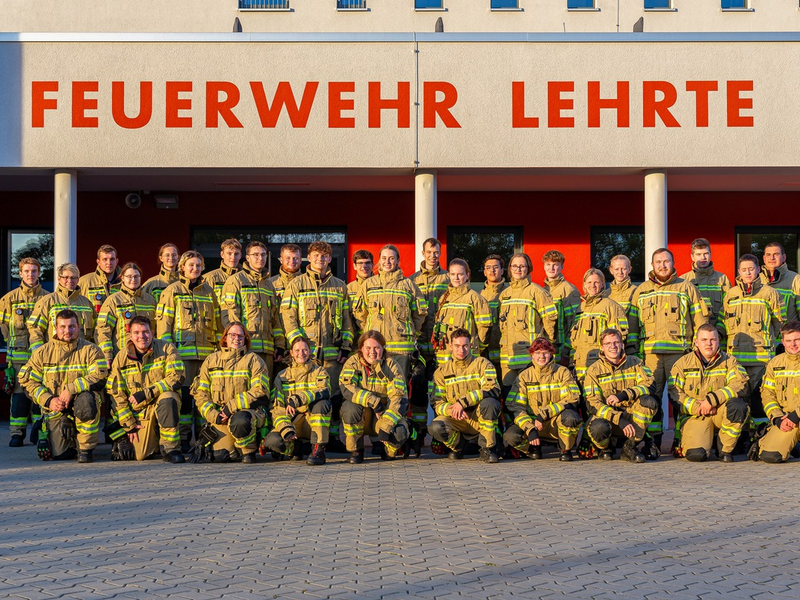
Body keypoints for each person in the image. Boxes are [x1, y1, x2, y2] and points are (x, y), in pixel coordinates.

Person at [627, 248, 708, 458]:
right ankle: (652, 443)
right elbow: (633, 326)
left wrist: (697, 351)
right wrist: (635, 353)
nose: (662, 265)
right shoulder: (641, 291)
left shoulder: (686, 287)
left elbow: (700, 322)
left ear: (673, 263)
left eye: (666, 261)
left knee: (680, 399)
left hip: (680, 355)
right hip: (650, 356)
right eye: (658, 262)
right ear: (652, 265)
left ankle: (683, 440)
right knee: (651, 399)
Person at [281, 241, 353, 453]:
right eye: (316, 256)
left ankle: (331, 437)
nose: (320, 260)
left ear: (329, 259)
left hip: (332, 355)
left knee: (334, 396)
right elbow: (288, 317)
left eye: (324, 257)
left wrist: (346, 346)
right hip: (306, 356)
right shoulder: (296, 285)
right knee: (306, 395)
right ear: (309, 259)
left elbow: (347, 319)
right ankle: (306, 437)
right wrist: (297, 345)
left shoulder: (340, 286)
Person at [19, 309, 108, 463]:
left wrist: (71, 389)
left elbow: (100, 376)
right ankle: (60, 432)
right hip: (56, 408)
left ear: (79, 327)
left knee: (87, 400)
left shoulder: (91, 350)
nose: (68, 331)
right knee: (60, 455)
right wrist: (48, 401)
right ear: (55, 327)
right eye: (63, 327)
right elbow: (28, 382)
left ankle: (85, 449)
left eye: (72, 326)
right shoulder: (42, 353)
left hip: (81, 404)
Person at [156, 250, 223, 452]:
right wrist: (169, 356)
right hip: (181, 358)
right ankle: (184, 439)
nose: (195, 269)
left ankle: (204, 439)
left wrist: (219, 353)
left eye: (198, 265)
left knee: (204, 398)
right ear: (182, 267)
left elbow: (219, 325)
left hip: (206, 358)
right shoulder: (172, 291)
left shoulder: (209, 291)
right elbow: (163, 327)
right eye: (191, 265)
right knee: (184, 400)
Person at [354, 244, 426, 421]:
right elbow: (359, 313)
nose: (388, 262)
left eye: (392, 258)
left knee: (398, 391)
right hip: (374, 351)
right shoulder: (368, 284)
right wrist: (369, 333)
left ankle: (397, 432)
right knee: (376, 389)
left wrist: (412, 332)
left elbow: (420, 313)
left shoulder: (409, 285)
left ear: (398, 261)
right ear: (379, 261)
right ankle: (379, 433)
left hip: (402, 351)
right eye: (384, 258)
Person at [105, 316, 185, 463]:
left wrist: (147, 393)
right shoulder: (121, 358)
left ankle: (170, 448)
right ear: (130, 336)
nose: (141, 336)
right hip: (140, 412)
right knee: (140, 455)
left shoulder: (167, 348)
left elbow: (176, 377)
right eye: (136, 332)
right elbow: (117, 394)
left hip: (161, 401)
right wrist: (129, 424)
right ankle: (154, 441)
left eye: (145, 332)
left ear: (152, 333)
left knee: (168, 398)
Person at [717, 254, 782, 433]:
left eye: (751, 269)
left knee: (759, 398)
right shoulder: (730, 294)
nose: (747, 272)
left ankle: (760, 434)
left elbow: (778, 324)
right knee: (739, 398)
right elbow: (723, 323)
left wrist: (772, 351)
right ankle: (741, 436)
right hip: (736, 359)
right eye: (744, 269)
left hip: (761, 359)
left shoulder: (770, 294)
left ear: (757, 270)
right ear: (738, 271)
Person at [668, 324, 749, 463]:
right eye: (704, 340)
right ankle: (702, 443)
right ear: (696, 342)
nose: (709, 344)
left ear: (718, 341)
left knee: (738, 406)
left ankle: (725, 450)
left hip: (719, 412)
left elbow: (740, 384)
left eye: (713, 340)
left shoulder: (729, 361)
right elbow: (675, 394)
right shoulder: (682, 364)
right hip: (695, 415)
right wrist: (697, 407)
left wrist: (712, 400)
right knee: (696, 455)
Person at [191, 323, 270, 463]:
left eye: (240, 335)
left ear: (245, 339)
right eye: (232, 335)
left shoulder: (254, 360)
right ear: (225, 338)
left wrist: (231, 407)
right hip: (221, 417)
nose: (236, 338)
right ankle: (237, 449)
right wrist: (213, 415)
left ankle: (248, 450)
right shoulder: (211, 360)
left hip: (247, 413)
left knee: (241, 421)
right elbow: (201, 394)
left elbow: (259, 390)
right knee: (220, 456)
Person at [583, 328, 659, 462]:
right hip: (609, 419)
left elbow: (650, 385)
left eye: (616, 342)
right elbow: (592, 403)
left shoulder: (636, 362)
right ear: (602, 348)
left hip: (632, 420)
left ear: (622, 344)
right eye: (608, 344)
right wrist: (619, 419)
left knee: (649, 401)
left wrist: (624, 395)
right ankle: (605, 449)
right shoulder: (593, 370)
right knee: (598, 428)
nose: (613, 346)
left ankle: (629, 447)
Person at [430, 328, 502, 463]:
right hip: (457, 419)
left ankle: (487, 448)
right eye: (457, 346)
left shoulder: (482, 364)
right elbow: (437, 403)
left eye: (465, 346)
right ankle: (458, 446)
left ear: (471, 345)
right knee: (436, 427)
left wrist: (462, 403)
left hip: (478, 416)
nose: (461, 350)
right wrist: (452, 410)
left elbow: (493, 389)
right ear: (450, 346)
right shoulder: (441, 372)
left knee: (491, 403)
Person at [503, 338, 582, 461]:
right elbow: (516, 407)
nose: (542, 356)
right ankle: (532, 449)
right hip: (533, 424)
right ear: (532, 355)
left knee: (572, 418)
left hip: (555, 423)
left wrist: (543, 414)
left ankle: (564, 448)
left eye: (545, 352)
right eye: (537, 353)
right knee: (511, 436)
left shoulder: (562, 372)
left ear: (551, 353)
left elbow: (571, 398)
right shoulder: (523, 377)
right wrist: (530, 429)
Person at [339, 330, 411, 464]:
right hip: (364, 413)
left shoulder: (392, 366)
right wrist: (374, 402)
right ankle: (356, 449)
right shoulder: (352, 363)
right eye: (368, 348)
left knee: (399, 431)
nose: (372, 352)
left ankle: (389, 450)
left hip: (384, 414)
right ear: (361, 349)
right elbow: (347, 387)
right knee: (350, 408)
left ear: (383, 348)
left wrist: (387, 426)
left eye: (377, 347)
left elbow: (398, 397)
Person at [0, 257, 48, 446]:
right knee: (19, 398)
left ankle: (38, 431)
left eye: (34, 271)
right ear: (20, 273)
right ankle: (17, 434)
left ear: (39, 272)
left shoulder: (47, 297)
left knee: (38, 396)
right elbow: (3, 325)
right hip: (18, 360)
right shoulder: (8, 299)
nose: (30, 274)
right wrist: (13, 343)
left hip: (40, 358)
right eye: (27, 271)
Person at [262, 336, 332, 465]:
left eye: (305, 350)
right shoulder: (282, 376)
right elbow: (276, 408)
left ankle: (318, 450)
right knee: (272, 441)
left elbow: (325, 390)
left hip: (313, 421)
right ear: (291, 353)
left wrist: (298, 399)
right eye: (297, 350)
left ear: (310, 351)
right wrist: (286, 429)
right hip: (293, 421)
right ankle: (297, 449)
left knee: (323, 403)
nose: (301, 353)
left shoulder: (319, 371)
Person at [222, 241, 284, 378]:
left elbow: (275, 319)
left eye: (263, 255)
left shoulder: (269, 285)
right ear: (247, 258)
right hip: (245, 349)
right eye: (255, 255)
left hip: (267, 350)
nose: (260, 258)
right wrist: (238, 345)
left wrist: (279, 345)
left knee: (265, 389)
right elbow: (231, 318)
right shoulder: (235, 281)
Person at [497, 252, 558, 394]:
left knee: (529, 396)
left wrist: (546, 348)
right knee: (508, 396)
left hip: (529, 356)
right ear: (510, 269)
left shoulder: (538, 292)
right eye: (514, 266)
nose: (518, 269)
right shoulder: (504, 295)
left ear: (528, 268)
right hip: (508, 357)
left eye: (522, 266)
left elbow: (550, 323)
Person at [563, 268, 628, 383]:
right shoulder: (580, 308)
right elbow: (573, 339)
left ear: (602, 284)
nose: (592, 286)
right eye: (589, 282)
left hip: (600, 367)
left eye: (596, 282)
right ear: (584, 285)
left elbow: (618, 339)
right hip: (578, 367)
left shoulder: (611, 306)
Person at [431, 259, 492, 365]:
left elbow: (484, 329)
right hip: (444, 357)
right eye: (453, 274)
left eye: (460, 274)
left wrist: (475, 347)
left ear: (467, 275)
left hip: (467, 356)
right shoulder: (444, 298)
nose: (456, 278)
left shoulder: (475, 298)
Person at [95, 262, 157, 365]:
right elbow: (103, 329)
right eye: (129, 276)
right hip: (123, 355)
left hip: (149, 355)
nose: (133, 279)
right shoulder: (113, 301)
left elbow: (156, 329)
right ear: (122, 278)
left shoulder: (150, 300)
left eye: (137, 276)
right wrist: (107, 355)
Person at [757, 321, 800, 463]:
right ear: (782, 342)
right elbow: (767, 394)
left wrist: (795, 415)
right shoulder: (774, 364)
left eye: (797, 340)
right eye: (788, 341)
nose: (793, 344)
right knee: (770, 456)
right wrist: (777, 418)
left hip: (795, 416)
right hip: (786, 419)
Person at [28, 263, 95, 350]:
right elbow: (35, 330)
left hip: (82, 355)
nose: (70, 280)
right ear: (59, 279)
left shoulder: (87, 303)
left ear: (78, 280)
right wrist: (39, 354)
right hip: (55, 355)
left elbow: (95, 331)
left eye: (73, 277)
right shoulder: (47, 302)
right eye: (66, 277)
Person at [680, 238, 731, 328]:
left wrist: (719, 331)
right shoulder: (683, 281)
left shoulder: (722, 279)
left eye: (706, 254)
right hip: (694, 335)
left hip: (717, 335)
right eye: (698, 254)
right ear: (692, 257)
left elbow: (728, 307)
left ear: (710, 255)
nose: (703, 257)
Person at [542, 250, 581, 358]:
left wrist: (567, 350)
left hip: (561, 348)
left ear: (562, 267)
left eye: (555, 265)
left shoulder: (568, 290)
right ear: (544, 266)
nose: (551, 268)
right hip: (545, 349)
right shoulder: (542, 290)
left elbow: (574, 323)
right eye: (548, 264)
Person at [480, 254, 508, 377]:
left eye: (496, 267)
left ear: (502, 271)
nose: (492, 270)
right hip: (486, 353)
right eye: (488, 267)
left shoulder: (511, 293)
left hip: (508, 354)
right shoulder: (478, 297)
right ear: (484, 272)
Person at [203, 238, 242, 323]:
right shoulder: (209, 278)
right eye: (229, 253)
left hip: (241, 329)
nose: (233, 257)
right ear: (222, 254)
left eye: (236, 254)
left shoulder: (247, 278)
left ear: (240, 255)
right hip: (217, 329)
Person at [759, 241, 800, 323]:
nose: (772, 258)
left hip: (786, 334)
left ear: (784, 257)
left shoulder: (795, 279)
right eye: (768, 255)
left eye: (776, 254)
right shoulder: (757, 280)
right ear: (764, 259)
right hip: (763, 335)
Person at [78, 244, 122, 315]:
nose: (109, 263)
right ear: (98, 262)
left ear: (117, 261)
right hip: (93, 326)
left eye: (112, 259)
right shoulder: (84, 282)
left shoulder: (126, 282)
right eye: (105, 259)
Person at [347, 249, 374, 341]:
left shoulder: (380, 287)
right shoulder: (348, 289)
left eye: (367, 263)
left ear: (372, 265)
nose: (364, 266)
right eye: (360, 263)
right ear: (354, 266)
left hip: (375, 338)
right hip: (354, 339)